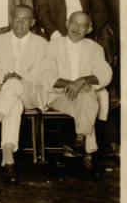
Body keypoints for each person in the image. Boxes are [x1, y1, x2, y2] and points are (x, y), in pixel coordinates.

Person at [0, 5, 48, 182]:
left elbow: (42, 73)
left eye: (25, 19)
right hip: (3, 94)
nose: (20, 23)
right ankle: (8, 159)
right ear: (11, 19)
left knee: (13, 85)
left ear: (32, 22)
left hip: (30, 92)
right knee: (13, 105)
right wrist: (0, 83)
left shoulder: (42, 43)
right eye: (16, 18)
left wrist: (18, 79)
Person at [39, 12, 113, 168]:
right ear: (67, 23)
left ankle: (80, 137)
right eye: (74, 23)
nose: (77, 28)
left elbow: (105, 73)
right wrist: (73, 84)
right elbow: (46, 75)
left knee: (86, 95)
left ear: (89, 29)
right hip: (58, 96)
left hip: (84, 96)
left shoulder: (95, 48)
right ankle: (87, 146)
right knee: (89, 100)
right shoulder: (53, 46)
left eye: (82, 25)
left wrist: (83, 81)